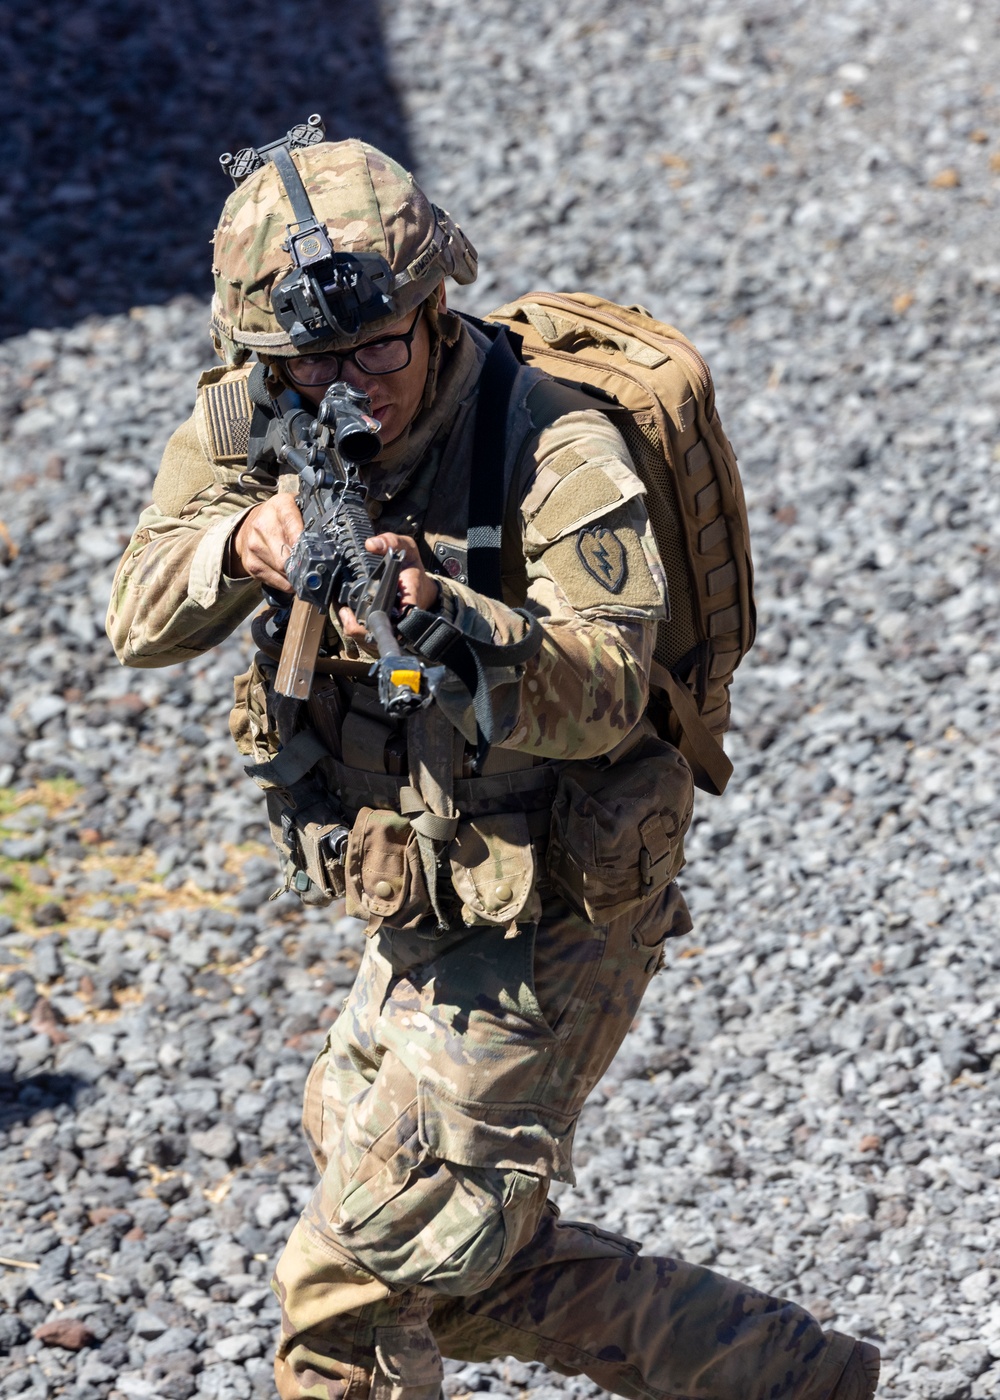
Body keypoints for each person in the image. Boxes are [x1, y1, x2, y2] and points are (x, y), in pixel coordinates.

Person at [108, 135, 879, 1400]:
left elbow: (607, 688)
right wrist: (244, 536)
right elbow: (134, 617)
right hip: (419, 886)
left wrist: (452, 614)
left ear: (434, 309)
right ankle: (799, 1382)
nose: (349, 387)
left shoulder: (554, 444)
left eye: (379, 350)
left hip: (557, 897)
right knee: (463, 1281)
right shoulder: (258, 409)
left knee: (345, 1292)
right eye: (310, 360)